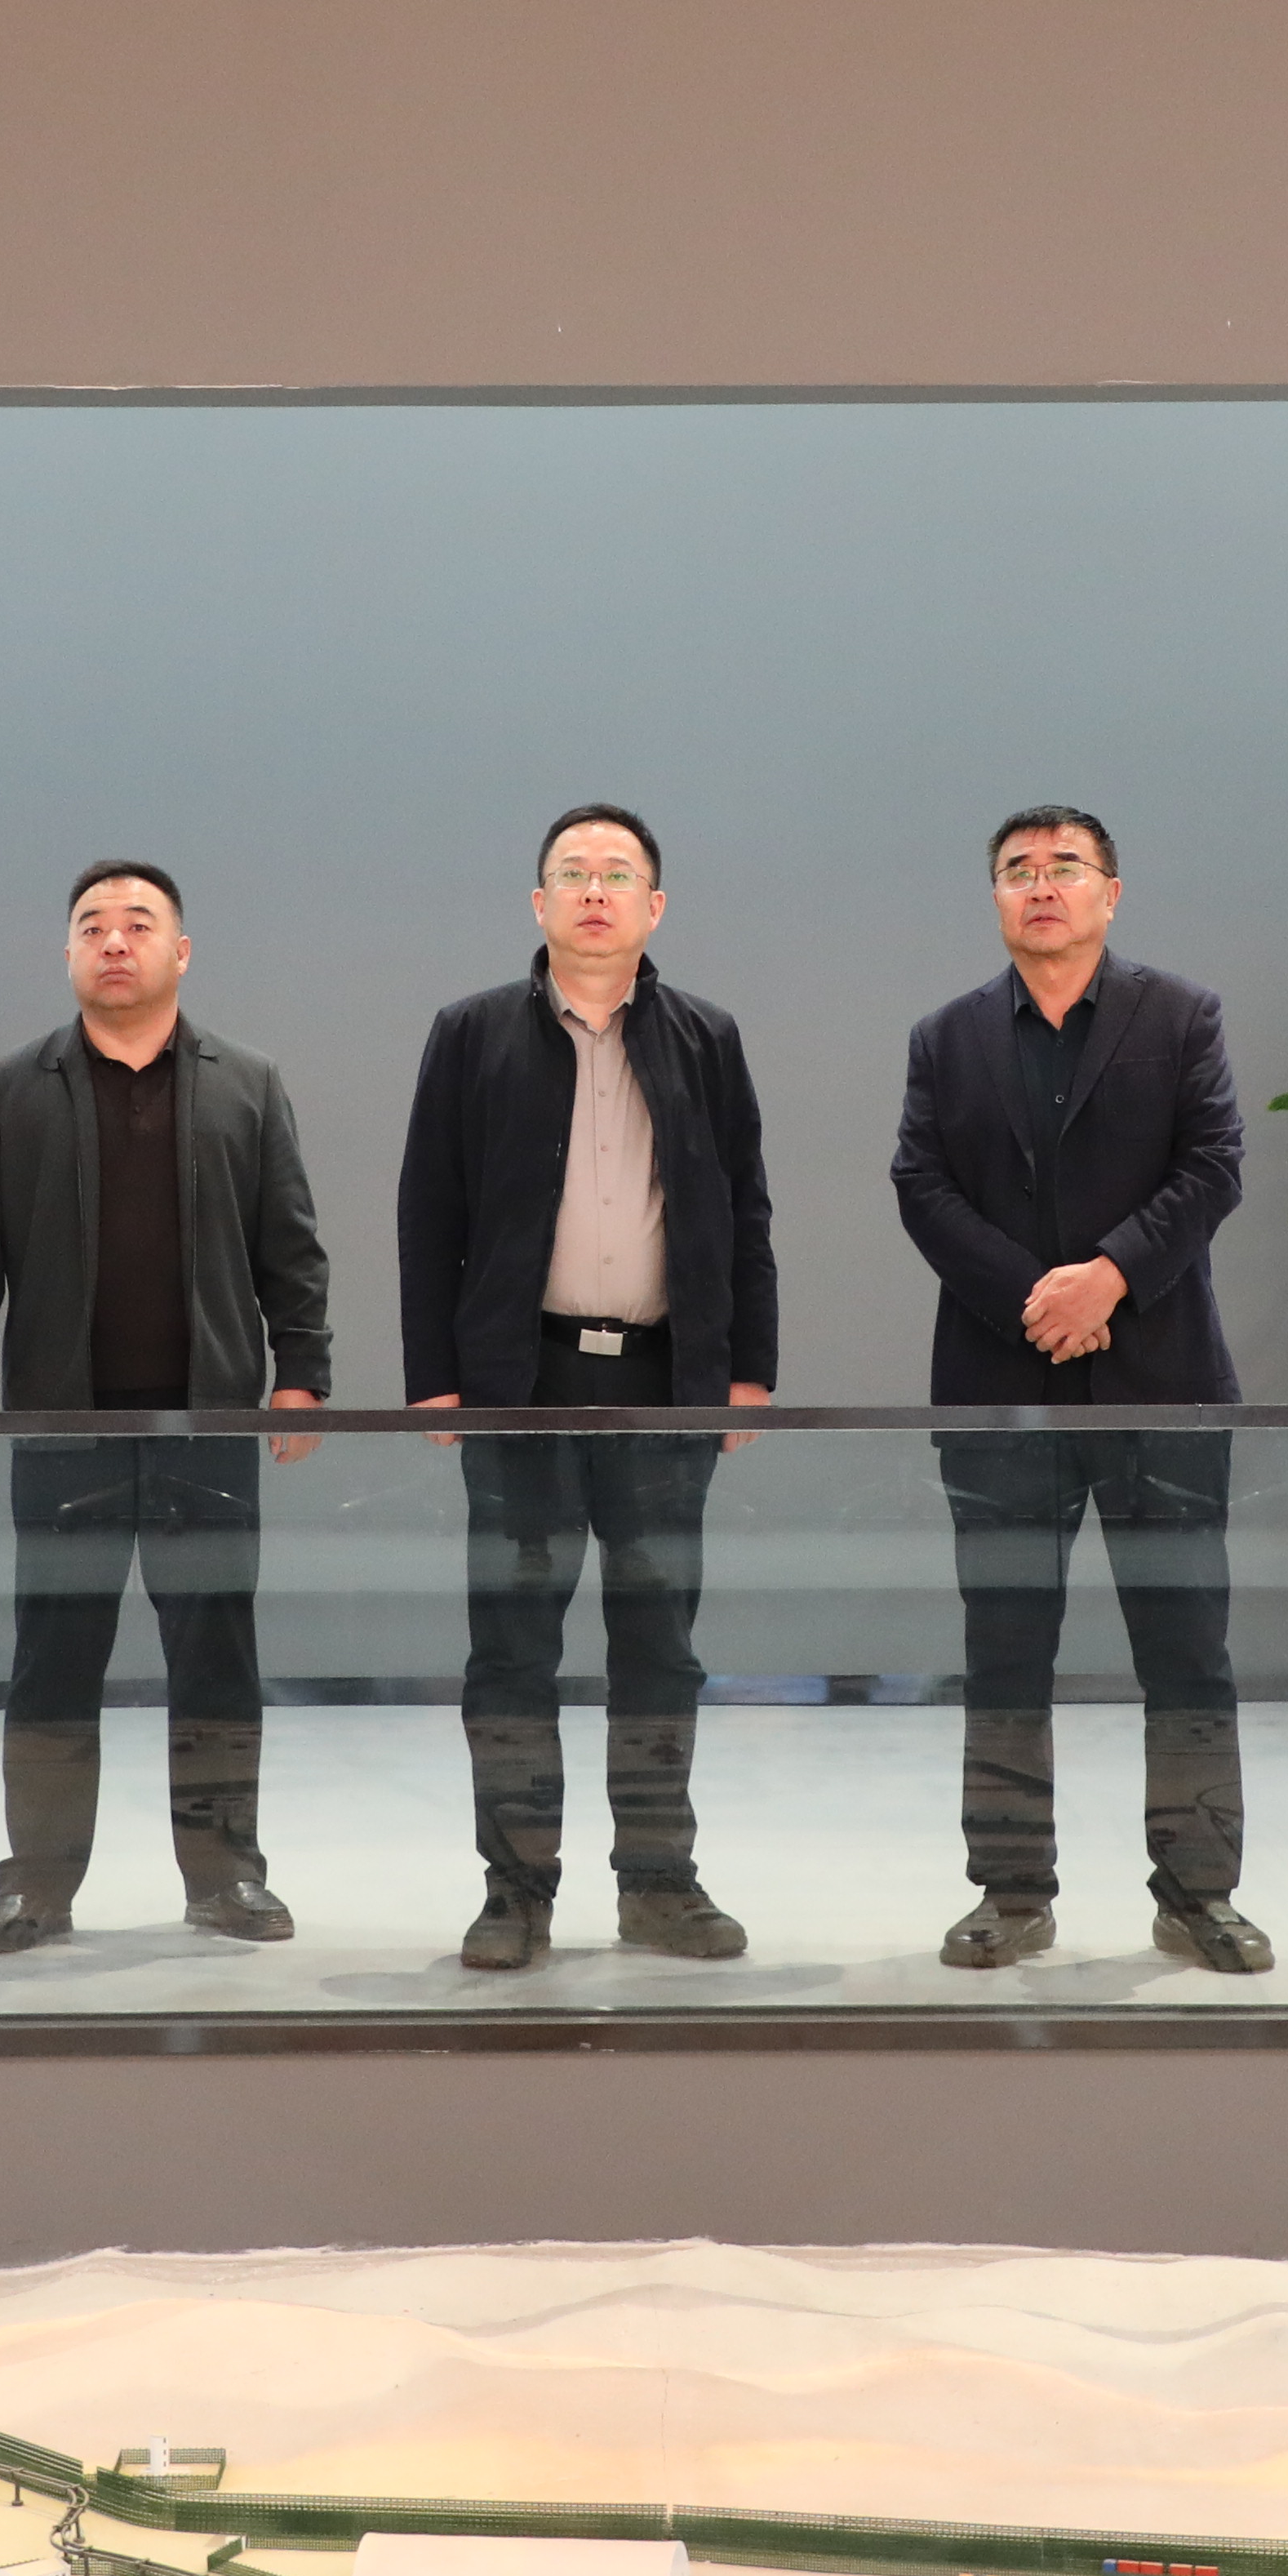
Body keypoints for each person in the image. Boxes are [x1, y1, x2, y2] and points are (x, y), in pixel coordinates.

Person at [0, 860, 333, 1954]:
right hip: (66, 1428)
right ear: (68, 952)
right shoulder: (11, 1090)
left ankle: (227, 1875)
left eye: (139, 923)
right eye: (93, 925)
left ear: (179, 952)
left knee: (216, 1658)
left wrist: (302, 1372)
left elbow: (290, 1246)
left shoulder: (248, 1084)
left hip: (210, 1421)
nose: (115, 940)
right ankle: (37, 1886)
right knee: (53, 1658)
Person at [395, 803, 779, 1971]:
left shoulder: (707, 1038)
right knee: (512, 1648)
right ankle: (515, 1891)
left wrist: (748, 1372)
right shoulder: (471, 1033)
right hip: (522, 1383)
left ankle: (659, 1882)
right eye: (573, 873)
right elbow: (428, 1211)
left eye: (619, 875)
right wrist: (436, 1379)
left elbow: (746, 1209)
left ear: (654, 906)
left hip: (666, 1384)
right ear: (540, 902)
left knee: (660, 1647)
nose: (596, 891)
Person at [889, 806, 1267, 1975]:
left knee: (1187, 1651)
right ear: (996, 896)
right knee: (1006, 1652)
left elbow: (1214, 1166)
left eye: (1065, 867)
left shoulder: (1181, 1015)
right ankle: (1010, 1893)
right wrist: (1034, 1299)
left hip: (1162, 1385)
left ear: (1110, 891)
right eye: (1018, 870)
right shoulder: (947, 1037)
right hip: (999, 1391)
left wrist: (1108, 1278)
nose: (1041, 886)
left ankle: (1199, 1895)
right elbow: (921, 1186)